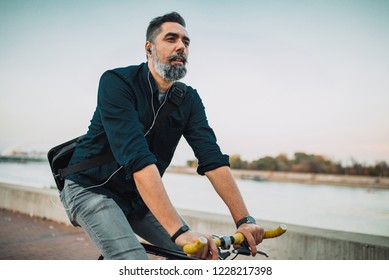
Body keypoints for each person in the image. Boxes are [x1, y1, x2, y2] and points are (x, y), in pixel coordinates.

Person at [60, 11, 264, 260]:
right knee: (135, 263)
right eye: (171, 39)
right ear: (149, 48)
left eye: (186, 42)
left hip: (136, 199)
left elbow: (212, 159)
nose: (181, 46)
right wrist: (179, 232)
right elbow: (137, 158)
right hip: (90, 188)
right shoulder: (117, 82)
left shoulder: (188, 99)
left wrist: (245, 220)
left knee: (203, 259)